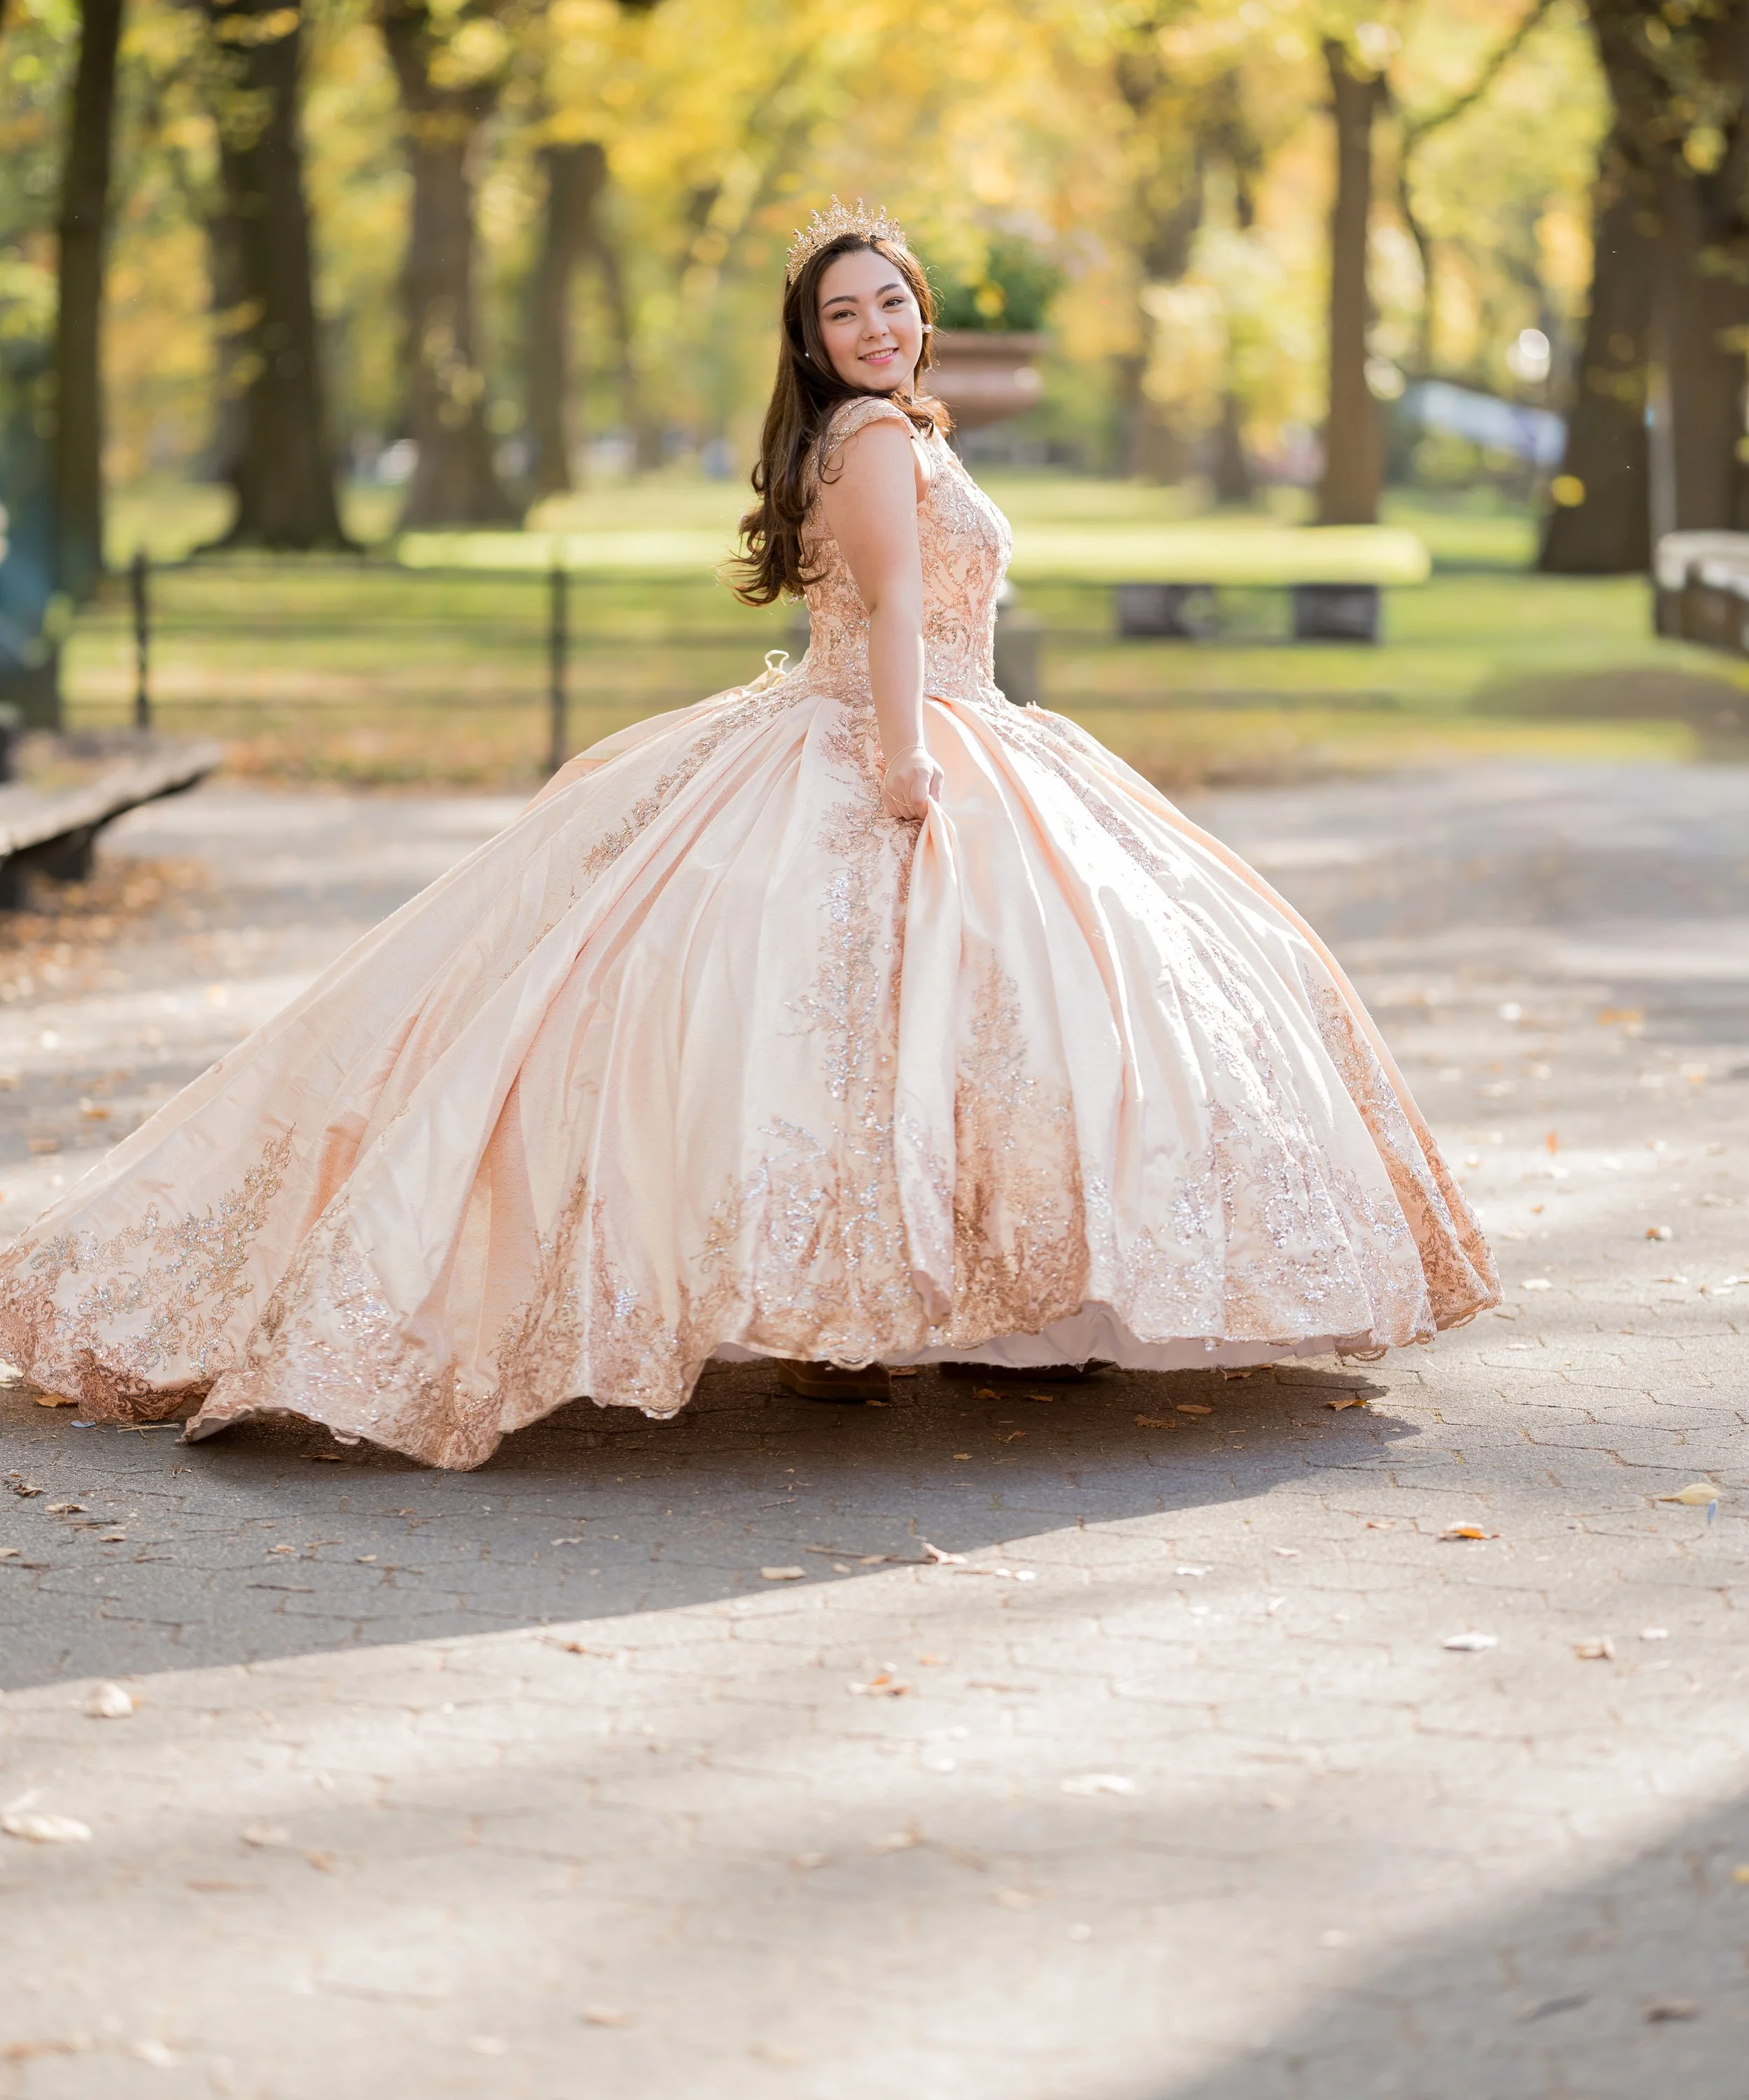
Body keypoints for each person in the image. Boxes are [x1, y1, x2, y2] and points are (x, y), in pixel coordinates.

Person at [0, 201, 1496, 1467]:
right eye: (845, 312)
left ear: (921, 312)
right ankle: (854, 1317)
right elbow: (901, 610)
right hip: (885, 735)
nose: (876, 327)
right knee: (852, 1024)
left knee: (969, 1025)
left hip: (942, 722)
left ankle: (953, 1312)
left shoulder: (893, 428)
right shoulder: (867, 441)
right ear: (811, 339)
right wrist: (907, 763)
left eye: (892, 302)